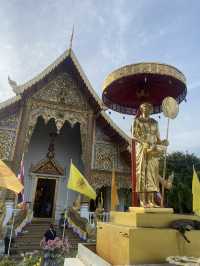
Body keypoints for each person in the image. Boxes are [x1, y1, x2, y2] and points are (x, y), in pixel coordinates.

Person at [132, 102, 168, 207]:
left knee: (152, 174)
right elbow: (134, 136)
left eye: (149, 107)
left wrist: (164, 142)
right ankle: (143, 201)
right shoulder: (137, 121)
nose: (147, 108)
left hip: (153, 149)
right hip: (142, 148)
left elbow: (158, 139)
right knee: (142, 173)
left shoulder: (155, 122)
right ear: (141, 108)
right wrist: (143, 142)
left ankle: (151, 201)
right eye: (144, 107)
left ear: (151, 109)